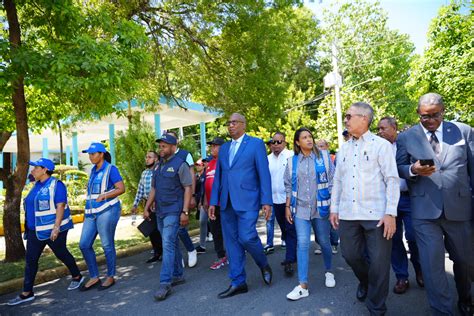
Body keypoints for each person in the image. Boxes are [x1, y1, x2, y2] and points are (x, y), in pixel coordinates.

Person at [396, 93, 473, 316]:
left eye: (434, 115)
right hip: (424, 211)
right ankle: (443, 311)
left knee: (466, 262)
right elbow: (398, 167)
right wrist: (413, 170)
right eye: (423, 116)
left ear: (443, 111)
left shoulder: (463, 131)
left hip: (460, 209)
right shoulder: (407, 137)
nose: (429, 120)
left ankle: (466, 298)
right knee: (432, 266)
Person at [330, 102, 399, 316]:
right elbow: (338, 181)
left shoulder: (381, 145)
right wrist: (334, 209)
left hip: (377, 215)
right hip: (349, 215)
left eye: (349, 116)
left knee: (379, 264)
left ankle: (376, 307)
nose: (346, 120)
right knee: (350, 255)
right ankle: (366, 281)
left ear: (364, 118)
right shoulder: (343, 148)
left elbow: (392, 180)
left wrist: (390, 213)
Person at [209, 113, 273, 298]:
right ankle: (238, 281)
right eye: (229, 123)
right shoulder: (225, 148)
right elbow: (219, 177)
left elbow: (264, 174)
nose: (231, 126)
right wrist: (214, 201)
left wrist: (266, 201)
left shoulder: (255, 144)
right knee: (232, 243)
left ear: (244, 125)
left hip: (248, 199)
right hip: (227, 201)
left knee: (246, 237)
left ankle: (263, 263)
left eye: (234, 122)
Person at [8, 158, 83, 306]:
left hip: (53, 231)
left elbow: (60, 206)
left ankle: (76, 276)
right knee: (31, 261)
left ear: (45, 170)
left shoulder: (57, 185)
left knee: (61, 253)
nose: (32, 170)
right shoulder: (35, 185)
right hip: (35, 231)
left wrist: (56, 228)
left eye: (36, 168)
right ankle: (27, 292)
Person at [284, 128, 336, 301]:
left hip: (320, 208)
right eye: (304, 137)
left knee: (324, 241)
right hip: (300, 209)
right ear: (297, 142)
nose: (309, 140)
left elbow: (332, 181)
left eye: (310, 137)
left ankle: (329, 271)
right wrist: (287, 206)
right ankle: (303, 285)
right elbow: (289, 185)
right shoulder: (292, 162)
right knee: (303, 243)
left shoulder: (324, 158)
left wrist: (333, 207)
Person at [377, 117, 423, 294]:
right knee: (393, 239)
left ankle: (419, 270)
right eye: (378, 129)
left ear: (395, 128)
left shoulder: (409, 143)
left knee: (413, 236)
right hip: (388, 201)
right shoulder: (378, 148)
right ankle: (401, 277)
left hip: (409, 198)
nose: (380, 132)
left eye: (383, 128)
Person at [144, 134, 192, 301]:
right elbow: (154, 189)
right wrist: (146, 207)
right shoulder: (157, 167)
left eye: (164, 146)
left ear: (173, 147)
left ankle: (165, 283)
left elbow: (188, 188)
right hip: (160, 212)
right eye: (160, 146)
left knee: (167, 243)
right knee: (171, 242)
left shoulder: (181, 164)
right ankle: (178, 274)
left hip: (174, 210)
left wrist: (185, 212)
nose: (161, 149)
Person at [79, 142, 125, 291]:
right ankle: (94, 276)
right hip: (91, 213)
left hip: (107, 210)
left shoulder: (111, 169)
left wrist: (104, 195)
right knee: (84, 244)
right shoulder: (93, 170)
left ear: (102, 154)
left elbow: (121, 188)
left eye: (93, 154)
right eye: (89, 154)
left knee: (106, 244)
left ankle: (110, 276)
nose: (90, 156)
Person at [266, 132, 297, 276]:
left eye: (279, 142)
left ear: (285, 143)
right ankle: (293, 252)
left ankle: (289, 260)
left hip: (289, 200)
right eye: (274, 142)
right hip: (275, 200)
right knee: (285, 230)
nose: (276, 145)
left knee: (290, 229)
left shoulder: (291, 156)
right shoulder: (267, 160)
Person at [165, 131, 198, 268]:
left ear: (176, 141)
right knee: (172, 230)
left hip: (182, 196)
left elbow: (191, 175)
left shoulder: (185, 155)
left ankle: (191, 250)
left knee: (179, 227)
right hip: (168, 199)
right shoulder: (164, 156)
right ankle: (178, 259)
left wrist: (192, 196)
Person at [131, 151, 163, 263]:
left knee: (159, 229)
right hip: (147, 204)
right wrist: (135, 204)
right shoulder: (144, 173)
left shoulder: (159, 171)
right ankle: (157, 253)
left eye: (149, 157)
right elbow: (140, 189)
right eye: (146, 157)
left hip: (158, 203)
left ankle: (165, 252)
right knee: (151, 231)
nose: (147, 159)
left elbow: (160, 188)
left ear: (156, 159)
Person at [203, 137, 228, 270]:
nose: (212, 148)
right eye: (211, 146)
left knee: (229, 230)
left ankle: (235, 253)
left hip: (224, 203)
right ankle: (221, 256)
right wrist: (206, 201)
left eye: (215, 146)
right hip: (212, 204)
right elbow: (207, 183)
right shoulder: (210, 163)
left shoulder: (226, 162)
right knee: (215, 230)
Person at [316, 139, 339, 255]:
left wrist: (333, 194)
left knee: (332, 220)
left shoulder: (331, 159)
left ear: (327, 146)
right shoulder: (314, 159)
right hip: (318, 198)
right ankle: (322, 245)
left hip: (330, 195)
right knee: (319, 221)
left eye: (322, 146)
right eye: (318, 146)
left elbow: (334, 177)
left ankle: (334, 244)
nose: (320, 148)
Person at [195, 158, 209, 254]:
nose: (204, 163)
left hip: (215, 203)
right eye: (203, 162)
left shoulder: (213, 173)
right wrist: (200, 201)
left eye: (205, 162)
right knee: (202, 222)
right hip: (204, 203)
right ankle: (202, 245)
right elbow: (203, 190)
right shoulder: (202, 176)